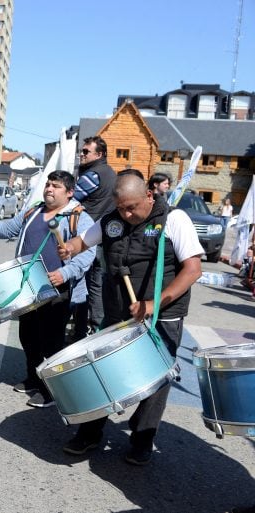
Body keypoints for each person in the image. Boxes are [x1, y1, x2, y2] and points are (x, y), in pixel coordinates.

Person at [58, 174, 203, 465]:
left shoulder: (175, 220)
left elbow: (193, 270)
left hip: (163, 313)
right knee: (105, 371)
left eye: (132, 207)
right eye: (121, 207)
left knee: (156, 378)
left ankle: (142, 439)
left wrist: (153, 304)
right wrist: (70, 248)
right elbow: (83, 241)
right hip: (119, 310)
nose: (127, 214)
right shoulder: (113, 219)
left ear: (150, 195)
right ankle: (90, 432)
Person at [0, 171, 95, 406]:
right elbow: (9, 230)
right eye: (48, 184)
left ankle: (52, 390)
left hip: (56, 287)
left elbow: (88, 253)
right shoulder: (33, 211)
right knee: (27, 336)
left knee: (51, 342)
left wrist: (65, 273)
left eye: (56, 186)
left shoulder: (79, 217)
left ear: (69, 192)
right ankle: (33, 378)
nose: (49, 189)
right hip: (26, 286)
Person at [74, 135, 116, 335]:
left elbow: (68, 198)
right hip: (102, 237)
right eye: (81, 151)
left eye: (85, 151)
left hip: (87, 237)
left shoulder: (92, 174)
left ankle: (83, 329)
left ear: (99, 154)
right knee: (96, 285)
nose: (81, 154)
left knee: (82, 284)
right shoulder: (110, 172)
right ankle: (95, 327)